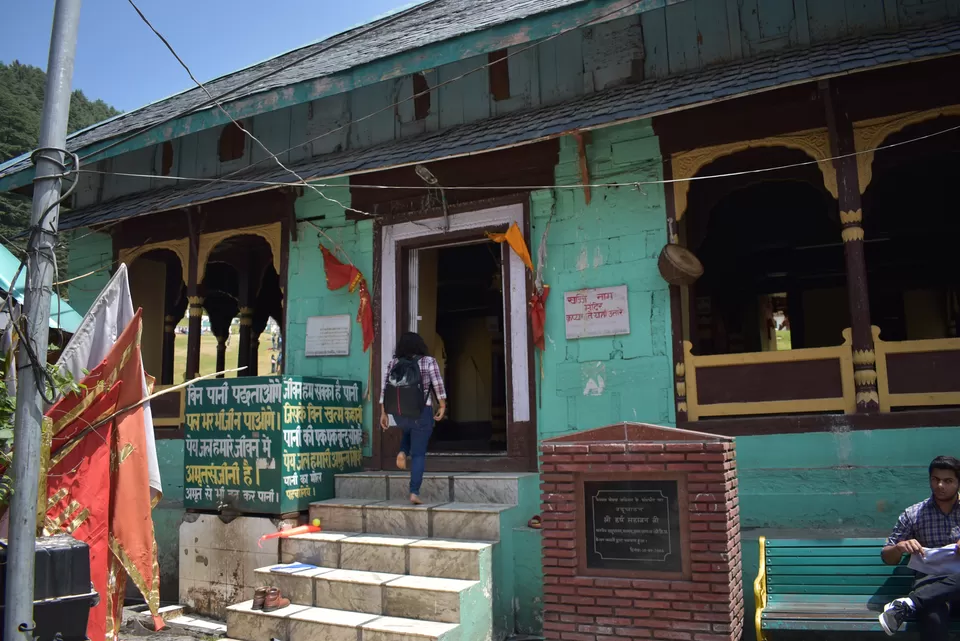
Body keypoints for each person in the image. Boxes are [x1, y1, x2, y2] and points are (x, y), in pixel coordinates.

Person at [879, 455, 960, 638]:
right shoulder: (913, 514)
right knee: (933, 619)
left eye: (948, 481)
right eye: (935, 479)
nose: (940, 485)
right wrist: (900, 547)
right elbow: (887, 557)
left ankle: (909, 603)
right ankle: (915, 602)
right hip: (930, 584)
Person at [379, 332, 447, 505]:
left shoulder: (393, 363)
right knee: (418, 454)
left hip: (398, 413)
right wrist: (442, 405)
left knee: (408, 430)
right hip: (421, 411)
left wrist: (383, 413)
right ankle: (414, 492)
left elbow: (384, 390)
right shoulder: (428, 361)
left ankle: (402, 451)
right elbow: (438, 385)